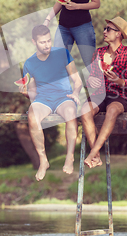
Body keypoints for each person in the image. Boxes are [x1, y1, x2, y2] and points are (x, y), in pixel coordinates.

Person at [19, 25, 83, 181]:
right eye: (42, 42)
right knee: (32, 117)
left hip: (64, 97)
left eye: (48, 41)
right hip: (43, 99)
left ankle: (69, 156)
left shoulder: (63, 54)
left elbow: (77, 81)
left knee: (70, 113)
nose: (47, 45)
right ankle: (43, 159)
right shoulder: (29, 63)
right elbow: (33, 93)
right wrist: (26, 92)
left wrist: (75, 93)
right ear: (34, 42)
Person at [80, 16, 127, 168]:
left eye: (108, 29)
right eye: (105, 29)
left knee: (111, 110)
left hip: (119, 96)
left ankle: (92, 153)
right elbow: (91, 78)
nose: (104, 32)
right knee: (85, 110)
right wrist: (90, 81)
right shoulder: (98, 53)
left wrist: (119, 81)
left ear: (118, 34)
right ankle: (96, 155)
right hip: (98, 95)